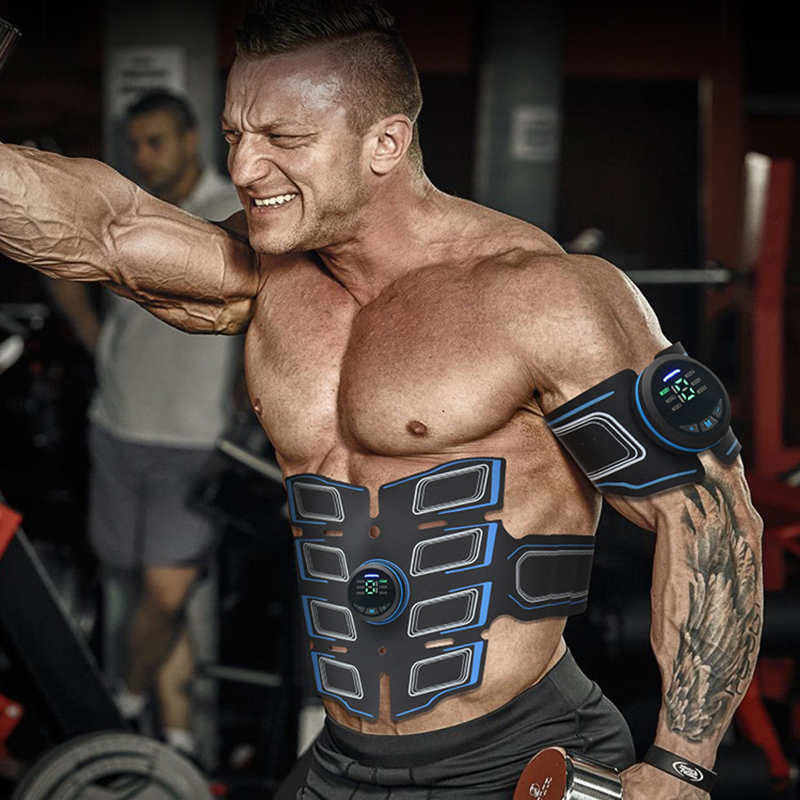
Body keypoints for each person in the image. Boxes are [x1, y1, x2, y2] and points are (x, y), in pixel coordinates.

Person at [0, 2, 763, 797]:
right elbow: (108, 228)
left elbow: (707, 516)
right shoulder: (273, 279)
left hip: (514, 753)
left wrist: (681, 762)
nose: (247, 167)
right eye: (236, 135)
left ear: (386, 144)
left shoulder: (542, 298)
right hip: (346, 757)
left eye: (284, 138)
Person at [46, 91, 242, 760]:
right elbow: (58, 259)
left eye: (156, 141)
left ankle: (121, 700)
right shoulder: (127, 206)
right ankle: (178, 739)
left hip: (193, 442)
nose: (144, 156)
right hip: (117, 427)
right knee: (140, 593)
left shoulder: (233, 211)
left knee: (164, 594)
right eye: (135, 144)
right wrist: (92, 334)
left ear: (192, 139)